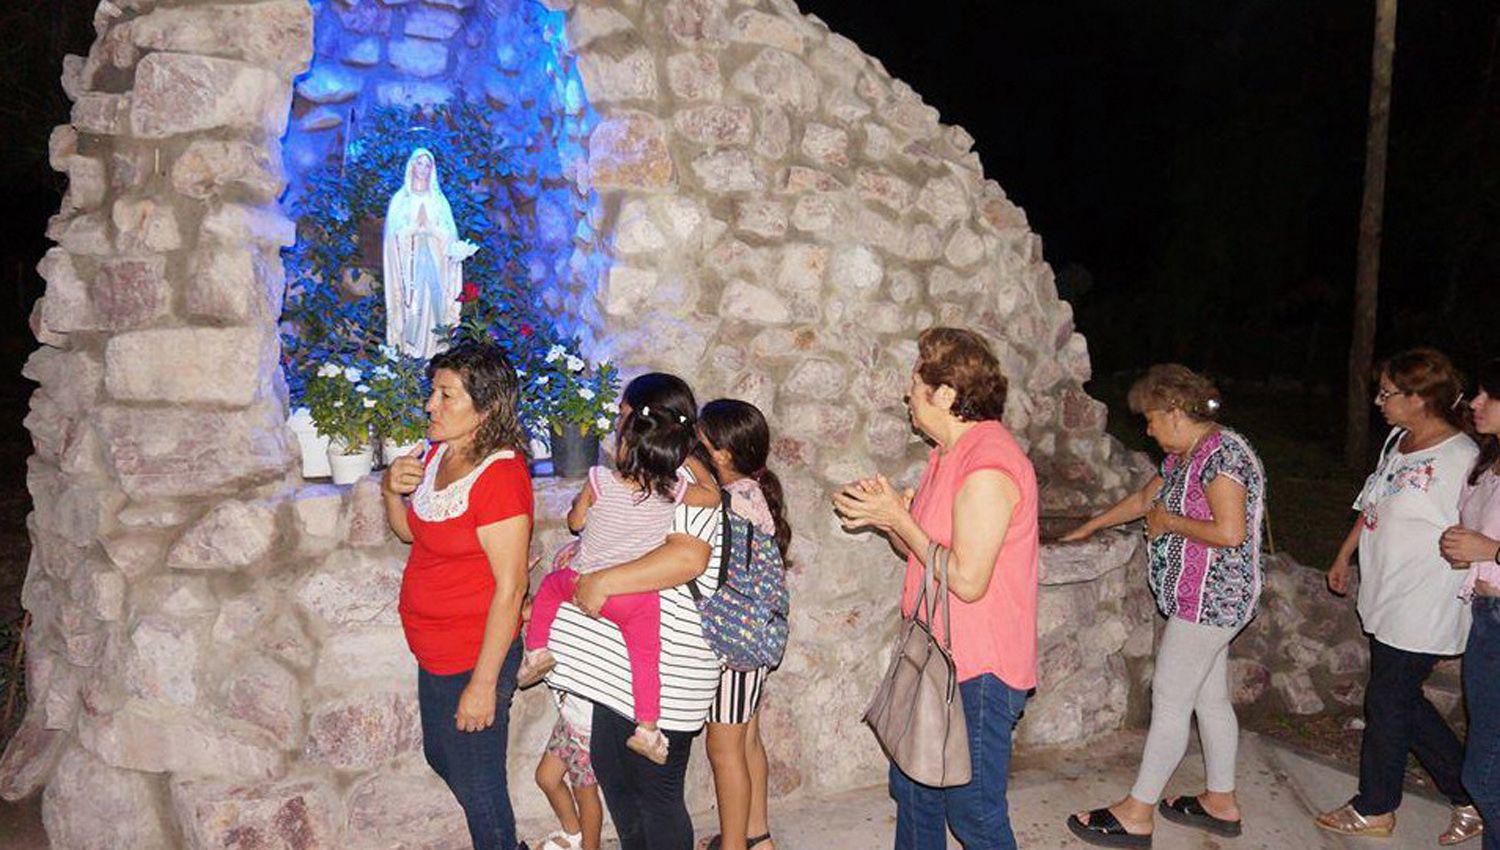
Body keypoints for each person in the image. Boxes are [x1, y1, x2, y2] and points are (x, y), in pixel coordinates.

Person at [832, 326, 1038, 850]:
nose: (907, 396)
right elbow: (923, 555)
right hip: (935, 652)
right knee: (915, 789)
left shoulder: (988, 465)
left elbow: (966, 580)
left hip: (979, 668)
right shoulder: (947, 453)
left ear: (945, 394)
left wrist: (900, 524)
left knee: (973, 813)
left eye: (915, 385)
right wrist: (895, 517)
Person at [1061, 365, 1266, 848]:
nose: (1147, 428)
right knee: (1208, 699)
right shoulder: (1184, 455)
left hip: (1209, 601)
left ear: (1175, 411)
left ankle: (1137, 812)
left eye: (1151, 418)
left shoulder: (1223, 455)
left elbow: (1230, 531)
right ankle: (1221, 802)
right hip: (1200, 600)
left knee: (1170, 702)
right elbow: (1142, 500)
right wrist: (1091, 526)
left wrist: (1170, 522)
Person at [542, 373, 726, 850]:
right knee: (618, 781)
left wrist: (600, 580)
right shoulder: (655, 473)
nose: (616, 427)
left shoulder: (684, 479)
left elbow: (688, 557)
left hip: (665, 674)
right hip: (616, 674)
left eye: (622, 415)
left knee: (655, 797)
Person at [1318, 348, 1479, 841]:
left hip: (1425, 601)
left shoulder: (1461, 459)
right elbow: (1374, 503)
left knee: (1388, 700)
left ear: (1419, 397)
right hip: (1387, 593)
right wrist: (1346, 554)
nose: (1378, 401)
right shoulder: (1399, 438)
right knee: (1399, 700)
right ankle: (1471, 796)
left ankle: (1377, 805)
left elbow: (1477, 532)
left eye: (1388, 393)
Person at [382, 341, 533, 850]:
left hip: (473, 652)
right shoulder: (437, 454)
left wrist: (484, 684)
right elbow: (412, 534)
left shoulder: (502, 477)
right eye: (433, 392)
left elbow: (511, 590)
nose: (431, 405)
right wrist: (389, 491)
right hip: (434, 649)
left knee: (479, 787)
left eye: (446, 395)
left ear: (485, 409)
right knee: (441, 756)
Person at [519, 389, 701, 765]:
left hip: (580, 580)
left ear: (625, 445)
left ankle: (536, 653)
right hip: (635, 599)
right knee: (646, 658)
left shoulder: (599, 479)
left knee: (548, 590)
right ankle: (648, 729)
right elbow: (711, 498)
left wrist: (579, 509)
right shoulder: (674, 490)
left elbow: (576, 522)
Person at [695, 399, 793, 850]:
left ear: (721, 455)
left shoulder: (726, 503)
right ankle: (757, 836)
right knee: (748, 739)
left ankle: (735, 845)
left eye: (699, 442)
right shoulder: (752, 492)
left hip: (734, 646)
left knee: (725, 748)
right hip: (754, 639)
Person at [1439, 357, 1500, 849]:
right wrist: (1464, 553)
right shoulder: (1487, 463)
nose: (1475, 403)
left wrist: (1490, 551)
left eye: (1488, 395)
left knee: (1483, 774)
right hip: (1486, 619)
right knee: (1486, 761)